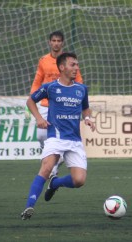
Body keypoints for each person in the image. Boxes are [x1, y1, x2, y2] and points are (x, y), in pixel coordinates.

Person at [21, 52, 95, 220]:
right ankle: (29, 207)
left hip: (74, 140)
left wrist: (88, 118)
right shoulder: (50, 87)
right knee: (46, 168)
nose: (76, 68)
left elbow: (85, 108)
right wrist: (39, 118)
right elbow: (30, 101)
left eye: (77, 64)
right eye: (73, 65)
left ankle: (55, 183)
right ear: (62, 67)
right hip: (55, 138)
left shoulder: (81, 89)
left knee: (79, 181)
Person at [26, 30, 84, 177]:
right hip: (46, 103)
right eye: (54, 41)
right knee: (40, 136)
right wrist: (32, 96)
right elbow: (38, 80)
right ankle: (52, 158)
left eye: (59, 41)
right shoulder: (43, 60)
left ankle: (53, 165)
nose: (56, 43)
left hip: (64, 103)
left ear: (62, 43)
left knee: (63, 134)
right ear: (49, 42)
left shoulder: (69, 61)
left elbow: (79, 80)